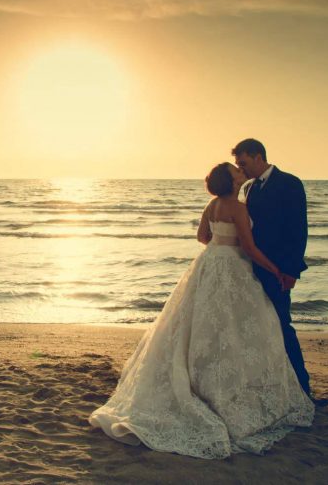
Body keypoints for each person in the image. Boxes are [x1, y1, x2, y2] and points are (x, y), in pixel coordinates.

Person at [88, 162, 314, 459]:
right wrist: (274, 269)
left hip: (208, 265)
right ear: (231, 182)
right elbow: (249, 248)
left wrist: (220, 245)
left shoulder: (212, 204)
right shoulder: (238, 208)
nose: (240, 173)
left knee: (199, 325)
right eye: (235, 173)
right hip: (233, 267)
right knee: (236, 326)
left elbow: (202, 238)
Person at [231, 138, 311, 397]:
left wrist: (290, 270)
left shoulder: (289, 183)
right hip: (251, 268)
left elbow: (298, 230)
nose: (240, 169)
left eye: (243, 162)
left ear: (258, 156)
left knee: (281, 325)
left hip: (277, 268)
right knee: (258, 327)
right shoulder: (250, 188)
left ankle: (302, 388)